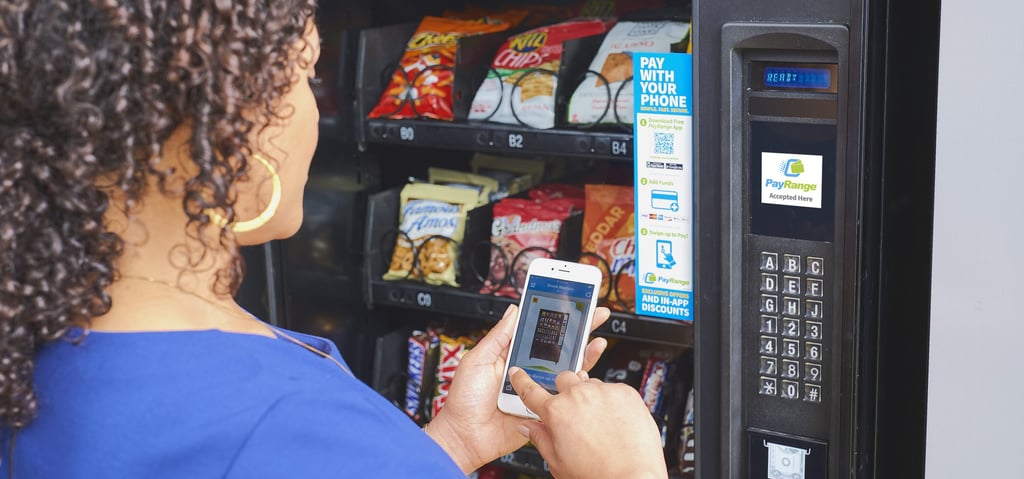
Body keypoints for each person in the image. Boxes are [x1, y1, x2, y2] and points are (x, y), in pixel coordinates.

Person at [0, 1, 668, 478]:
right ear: (225, 120)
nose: (313, 114)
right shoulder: (295, 424)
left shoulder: (35, 345)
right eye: (304, 74)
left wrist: (452, 444)